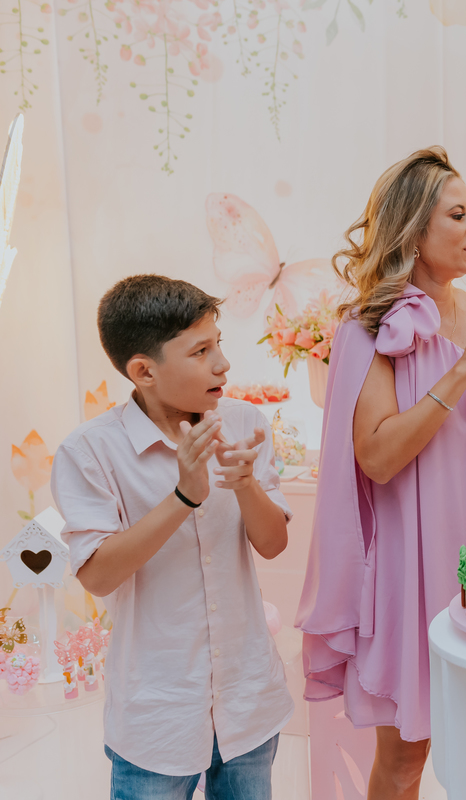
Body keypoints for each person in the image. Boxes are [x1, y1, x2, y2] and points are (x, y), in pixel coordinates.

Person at [295, 146, 466, 800]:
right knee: (406, 759)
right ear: (413, 231)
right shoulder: (368, 327)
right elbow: (375, 455)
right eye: (459, 215)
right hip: (413, 566)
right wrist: (465, 367)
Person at [50, 275, 293, 799]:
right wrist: (184, 496)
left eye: (218, 343)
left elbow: (273, 543)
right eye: (201, 351)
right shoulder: (90, 452)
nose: (223, 363)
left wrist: (246, 484)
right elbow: (96, 575)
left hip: (248, 702)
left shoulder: (246, 422)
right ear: (144, 372)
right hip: (155, 716)